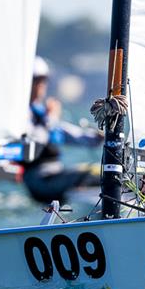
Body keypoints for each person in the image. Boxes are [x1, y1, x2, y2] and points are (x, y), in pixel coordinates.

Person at [21, 56, 102, 204]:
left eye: (43, 81)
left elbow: (66, 133)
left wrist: (98, 137)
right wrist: (51, 117)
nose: (40, 86)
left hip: (54, 174)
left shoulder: (41, 112)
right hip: (39, 180)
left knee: (102, 171)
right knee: (96, 175)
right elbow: (35, 140)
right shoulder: (22, 114)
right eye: (36, 81)